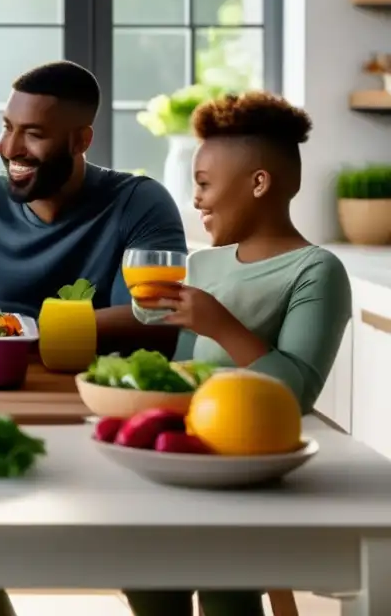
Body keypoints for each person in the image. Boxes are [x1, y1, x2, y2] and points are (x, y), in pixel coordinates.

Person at [124, 91, 352, 616]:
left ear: (258, 184)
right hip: (188, 455)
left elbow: (293, 393)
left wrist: (221, 325)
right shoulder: (204, 265)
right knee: (144, 574)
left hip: (254, 462)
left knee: (226, 586)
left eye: (204, 184)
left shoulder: (316, 271)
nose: (196, 199)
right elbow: (184, 372)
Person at [0, 61, 187, 357]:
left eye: (34, 134)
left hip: (99, 388)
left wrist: (20, 333)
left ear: (80, 141)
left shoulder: (140, 203)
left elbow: (151, 322)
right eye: (7, 127)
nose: (10, 147)